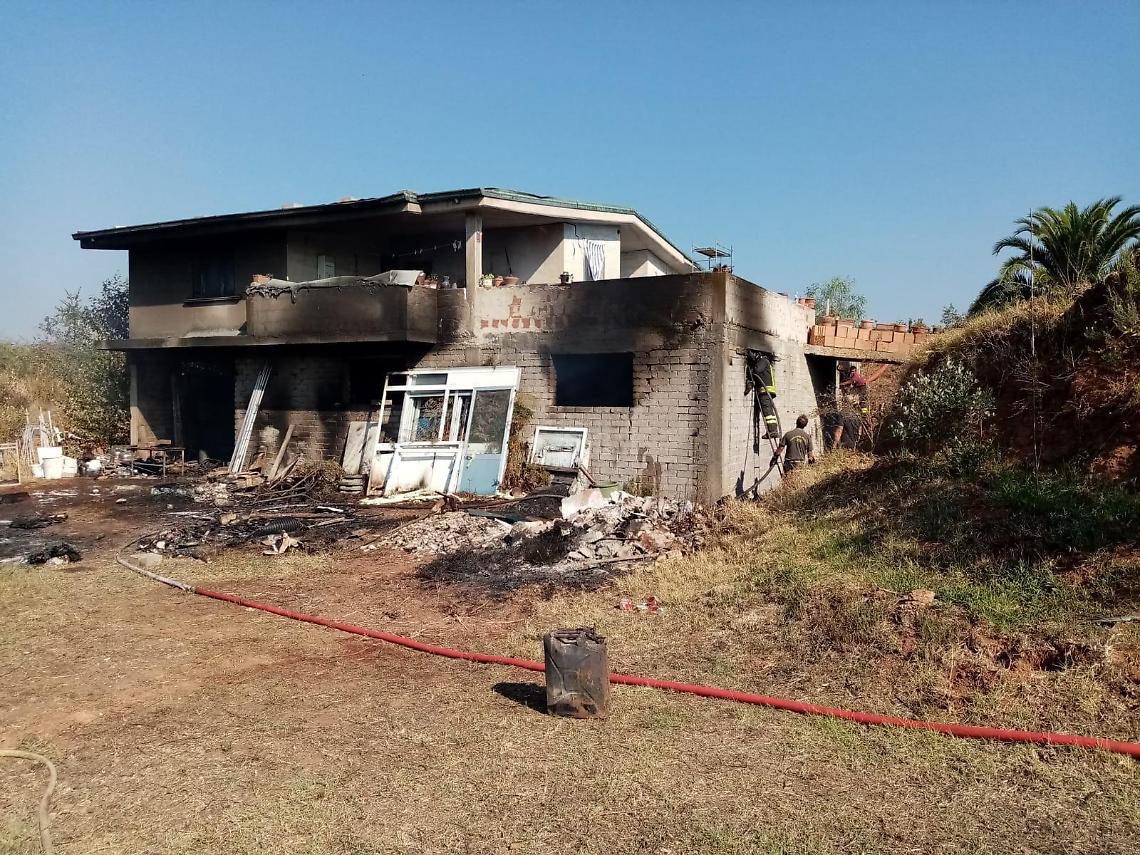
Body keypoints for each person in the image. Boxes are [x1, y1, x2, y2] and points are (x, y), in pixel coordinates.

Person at [745, 350, 780, 443]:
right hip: (765, 391)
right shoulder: (764, 361)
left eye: (752, 353)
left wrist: (750, 370)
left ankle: (772, 431)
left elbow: (756, 370)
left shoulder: (763, 360)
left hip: (765, 390)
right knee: (768, 410)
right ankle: (773, 430)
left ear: (757, 354)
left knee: (767, 410)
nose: (751, 356)